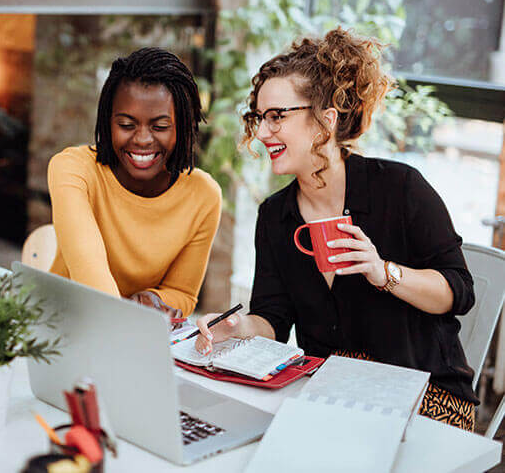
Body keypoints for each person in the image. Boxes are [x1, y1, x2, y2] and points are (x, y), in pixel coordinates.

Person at [196, 28, 478, 431]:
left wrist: (383, 273)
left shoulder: (400, 188)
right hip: (334, 395)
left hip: (426, 395)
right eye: (260, 118)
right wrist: (238, 329)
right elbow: (274, 320)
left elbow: (458, 292)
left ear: (325, 121)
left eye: (277, 116)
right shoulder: (275, 216)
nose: (262, 132)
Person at [47, 48, 222, 318]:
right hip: (61, 320)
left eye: (160, 127)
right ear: (107, 123)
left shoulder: (203, 195)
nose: (142, 139)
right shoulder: (73, 169)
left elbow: (182, 293)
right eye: (127, 125)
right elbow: (88, 269)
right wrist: (126, 314)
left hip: (132, 329)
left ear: (183, 127)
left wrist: (154, 299)